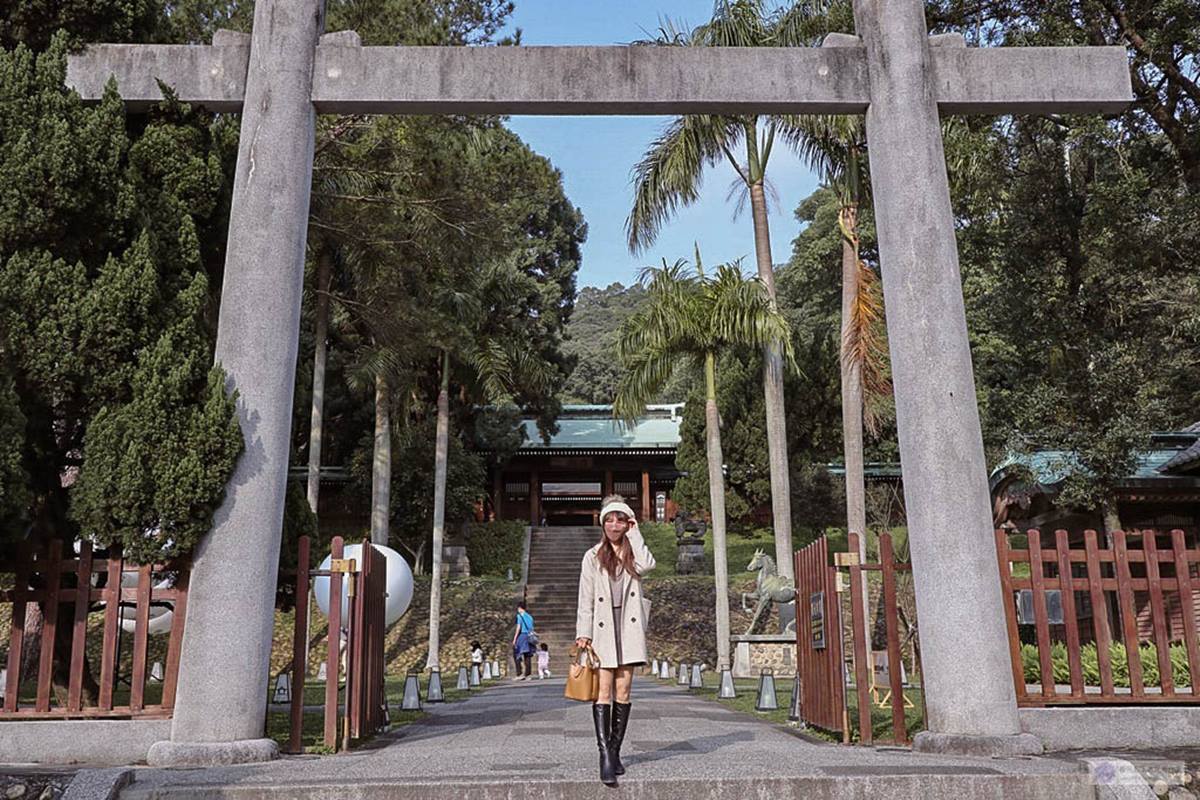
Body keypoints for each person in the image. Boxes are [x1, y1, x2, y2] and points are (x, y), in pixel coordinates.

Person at [574, 494, 656, 786]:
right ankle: (605, 756)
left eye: (620, 519)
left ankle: (616, 750)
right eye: (609, 519)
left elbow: (648, 565)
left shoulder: (634, 551)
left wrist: (635, 532)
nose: (614, 524)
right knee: (604, 691)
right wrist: (582, 632)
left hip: (629, 627)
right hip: (602, 629)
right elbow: (585, 598)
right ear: (603, 523)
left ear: (627, 522)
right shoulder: (592, 556)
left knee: (624, 690)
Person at [511, 601, 535, 680]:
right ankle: (528, 674)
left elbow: (518, 628)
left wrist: (515, 639)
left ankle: (519, 673)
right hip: (529, 636)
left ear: (519, 608)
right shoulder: (530, 617)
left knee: (517, 654)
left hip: (522, 636)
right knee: (527, 656)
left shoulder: (520, 616)